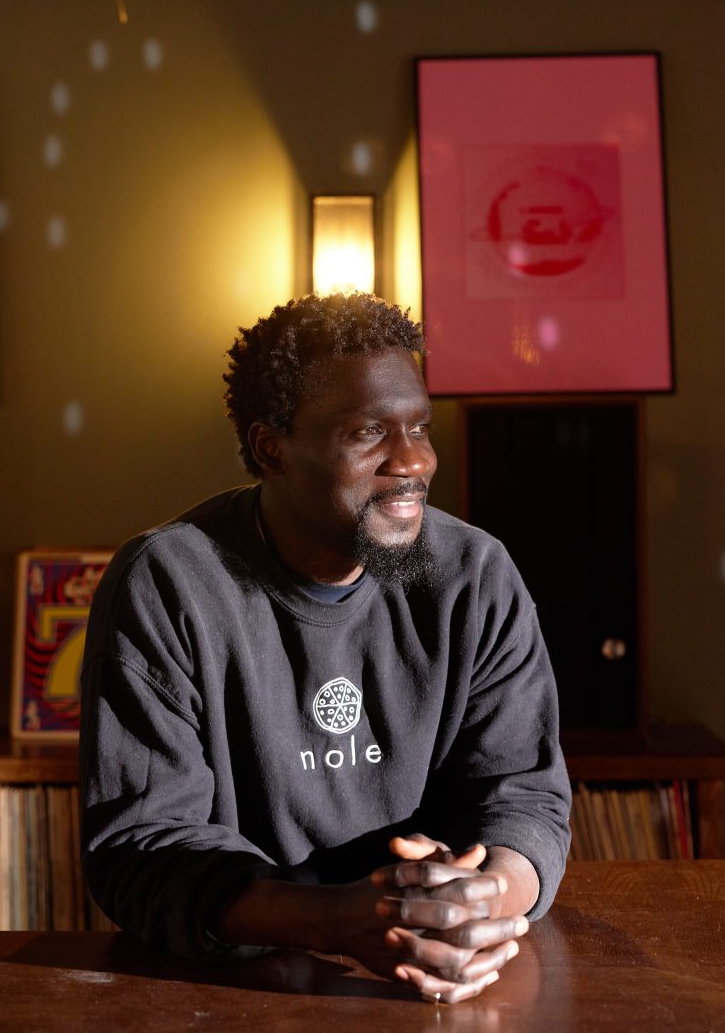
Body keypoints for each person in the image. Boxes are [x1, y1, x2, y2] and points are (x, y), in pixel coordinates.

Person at [80, 292, 571, 1004]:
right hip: (233, 994)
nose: (414, 462)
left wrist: (476, 901)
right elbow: (141, 848)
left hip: (442, 985)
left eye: (420, 428)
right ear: (270, 446)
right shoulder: (169, 584)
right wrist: (336, 921)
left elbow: (525, 800)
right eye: (370, 431)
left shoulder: (476, 575)